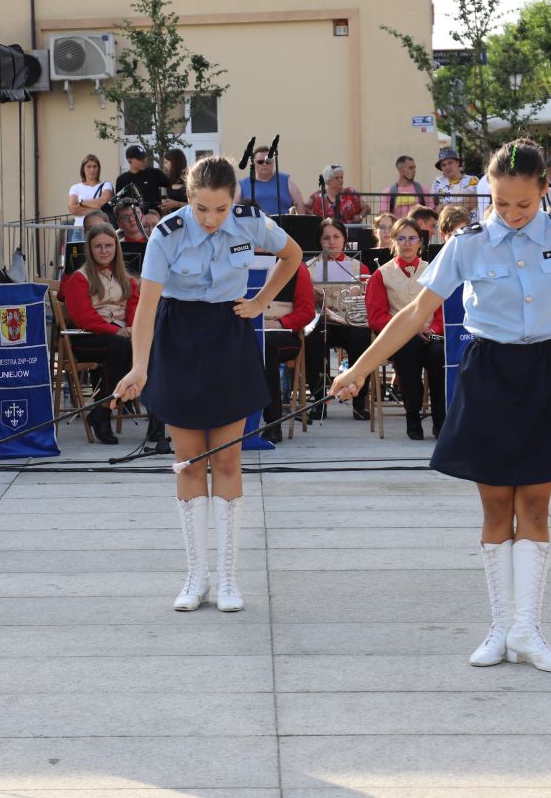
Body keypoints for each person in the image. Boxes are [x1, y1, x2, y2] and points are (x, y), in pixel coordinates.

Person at [331, 138, 551, 674]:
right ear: (486, 196)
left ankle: (530, 632)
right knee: (496, 505)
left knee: (535, 506)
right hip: (488, 372)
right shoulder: (466, 244)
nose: (512, 215)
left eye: (523, 204)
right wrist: (359, 369)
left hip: (546, 371)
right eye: (501, 203)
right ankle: (499, 627)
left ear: (544, 191)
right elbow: (415, 314)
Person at [115, 155, 303, 613]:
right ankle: (196, 576)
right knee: (188, 462)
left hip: (228, 334)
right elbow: (146, 308)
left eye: (219, 208)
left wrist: (260, 301)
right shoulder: (168, 233)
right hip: (178, 338)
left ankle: (229, 580)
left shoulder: (249, 221)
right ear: (188, 196)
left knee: (227, 460)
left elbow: (293, 255)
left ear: (233, 199)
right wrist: (140, 367)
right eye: (201, 208)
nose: (211, 218)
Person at [61, 223, 143, 445]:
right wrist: (118, 331)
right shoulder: (79, 278)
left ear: (116, 248)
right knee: (121, 347)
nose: (104, 251)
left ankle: (156, 421)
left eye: (108, 246)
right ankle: (104, 410)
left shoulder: (129, 279)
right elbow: (84, 318)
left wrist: (131, 330)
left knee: (145, 347)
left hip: (120, 338)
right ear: (90, 249)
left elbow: (135, 312)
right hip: (86, 338)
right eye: (98, 246)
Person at [364, 217, 444, 440]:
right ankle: (413, 417)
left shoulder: (434, 271)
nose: (407, 243)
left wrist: (434, 329)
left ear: (420, 242)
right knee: (408, 350)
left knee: (440, 355)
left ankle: (441, 420)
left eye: (412, 238)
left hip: (431, 335)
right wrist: (404, 330)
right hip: (399, 338)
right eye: (401, 238)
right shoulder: (381, 274)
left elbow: (442, 311)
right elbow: (376, 317)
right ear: (393, 242)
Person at [306, 219, 371, 422]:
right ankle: (319, 401)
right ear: (319, 241)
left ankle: (359, 402)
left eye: (336, 237)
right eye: (326, 238)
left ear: (344, 239)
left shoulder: (358, 266)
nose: (331, 242)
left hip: (349, 321)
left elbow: (366, 299)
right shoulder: (309, 268)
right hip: (322, 321)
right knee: (312, 338)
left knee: (361, 337)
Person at [260, 258, 315, 442]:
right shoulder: (235, 260)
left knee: (265, 345)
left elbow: (307, 311)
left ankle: (273, 423)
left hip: (283, 334)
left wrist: (278, 323)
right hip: (245, 331)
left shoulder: (295, 267)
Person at [237, 144, 306, 215]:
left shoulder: (286, 181)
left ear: (273, 162)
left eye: (268, 161)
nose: (264, 164)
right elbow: (233, 210)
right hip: (254, 225)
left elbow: (299, 205)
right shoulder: (242, 185)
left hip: (281, 224)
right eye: (260, 162)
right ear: (254, 164)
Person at [67, 154, 114, 242]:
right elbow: (73, 209)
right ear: (83, 169)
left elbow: (104, 201)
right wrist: (98, 209)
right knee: (77, 255)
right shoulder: (75, 187)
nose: (91, 170)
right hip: (79, 230)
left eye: (94, 166)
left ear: (98, 169)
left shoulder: (106, 185)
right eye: (88, 166)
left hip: (100, 230)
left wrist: (82, 202)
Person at [115, 144, 171, 212]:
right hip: (133, 219)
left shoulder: (155, 173)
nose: (144, 160)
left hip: (153, 218)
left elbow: (173, 186)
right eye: (140, 159)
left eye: (144, 157)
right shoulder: (122, 179)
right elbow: (118, 202)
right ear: (129, 160)